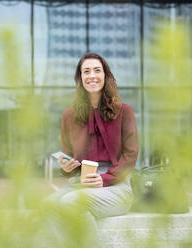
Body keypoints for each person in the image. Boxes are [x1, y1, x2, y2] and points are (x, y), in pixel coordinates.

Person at [50, 52, 139, 222]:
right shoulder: (69, 116)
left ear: (105, 76)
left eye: (97, 70)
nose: (92, 76)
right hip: (81, 183)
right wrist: (67, 169)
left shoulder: (124, 111)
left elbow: (130, 156)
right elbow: (69, 158)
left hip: (116, 185)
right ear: (80, 78)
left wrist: (105, 179)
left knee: (71, 203)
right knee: (47, 206)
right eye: (86, 71)